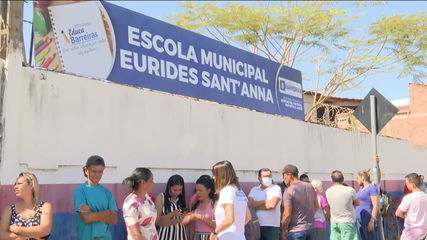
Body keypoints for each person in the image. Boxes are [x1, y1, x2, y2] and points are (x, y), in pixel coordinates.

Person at [73, 155, 118, 240]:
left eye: (100, 172)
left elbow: (114, 219)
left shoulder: (107, 193)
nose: (97, 175)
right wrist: (107, 212)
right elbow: (87, 218)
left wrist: (93, 213)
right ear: (86, 170)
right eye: (94, 171)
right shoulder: (80, 191)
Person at [0, 172, 53, 240]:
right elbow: (1, 234)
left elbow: (45, 230)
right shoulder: (10, 209)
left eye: (19, 184)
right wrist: (21, 237)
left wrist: (18, 230)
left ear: (31, 185)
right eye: (15, 184)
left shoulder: (45, 207)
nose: (15, 186)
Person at [210, 161, 251, 240]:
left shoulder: (226, 191)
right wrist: (237, 229)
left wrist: (215, 232)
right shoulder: (239, 191)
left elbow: (229, 219)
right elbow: (248, 217)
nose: (213, 177)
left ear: (222, 176)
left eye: (215, 174)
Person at [281, 164, 318, 240]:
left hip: (296, 231)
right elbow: (316, 206)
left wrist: (283, 230)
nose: (283, 178)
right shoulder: (309, 186)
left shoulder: (288, 191)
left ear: (289, 175)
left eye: (283, 175)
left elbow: (287, 215)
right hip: (311, 229)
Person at [122, 168, 158, 240]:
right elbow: (135, 234)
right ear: (142, 182)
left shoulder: (147, 198)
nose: (153, 183)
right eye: (151, 180)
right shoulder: (131, 203)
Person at [248, 168, 282, 240]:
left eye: (269, 176)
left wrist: (256, 205)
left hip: (272, 227)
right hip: (256, 226)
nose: (268, 178)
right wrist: (265, 201)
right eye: (265, 176)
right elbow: (250, 205)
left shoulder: (276, 188)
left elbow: (272, 205)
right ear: (259, 178)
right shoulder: (254, 190)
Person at [325, 170, 359, 240]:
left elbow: (327, 206)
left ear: (332, 180)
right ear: (343, 179)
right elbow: (357, 203)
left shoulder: (328, 191)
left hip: (334, 221)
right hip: (347, 221)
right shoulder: (350, 190)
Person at [182, 175, 216, 240]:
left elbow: (217, 225)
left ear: (208, 191)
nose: (198, 193)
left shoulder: (214, 204)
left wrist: (200, 217)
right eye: (196, 190)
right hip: (197, 236)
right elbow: (191, 225)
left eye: (200, 190)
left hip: (211, 236)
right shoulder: (195, 204)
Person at [155, 174, 188, 240]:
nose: (177, 192)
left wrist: (185, 216)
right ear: (169, 187)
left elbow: (186, 220)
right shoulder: (161, 197)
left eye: (180, 190)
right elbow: (157, 221)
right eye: (175, 190)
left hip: (181, 234)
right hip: (165, 234)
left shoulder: (183, 199)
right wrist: (172, 214)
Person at [395, 173, 427, 240]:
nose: (406, 185)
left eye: (407, 183)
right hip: (424, 234)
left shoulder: (408, 198)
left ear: (412, 185)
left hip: (410, 234)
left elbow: (398, 213)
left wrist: (405, 215)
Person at [355, 170, 379, 240]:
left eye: (357, 178)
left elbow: (375, 205)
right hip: (359, 219)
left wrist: (372, 221)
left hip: (367, 219)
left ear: (362, 178)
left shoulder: (372, 188)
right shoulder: (361, 189)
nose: (356, 180)